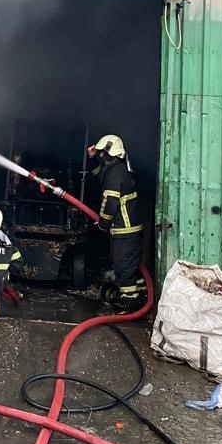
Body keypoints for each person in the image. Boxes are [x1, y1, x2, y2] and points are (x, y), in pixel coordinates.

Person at [88, 134, 145, 312]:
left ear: (107, 154)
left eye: (101, 154)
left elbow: (110, 203)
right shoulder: (115, 169)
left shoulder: (115, 174)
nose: (100, 157)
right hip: (127, 229)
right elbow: (98, 174)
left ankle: (130, 302)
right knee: (129, 265)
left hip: (125, 230)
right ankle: (141, 294)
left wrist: (103, 224)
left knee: (123, 268)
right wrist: (91, 159)